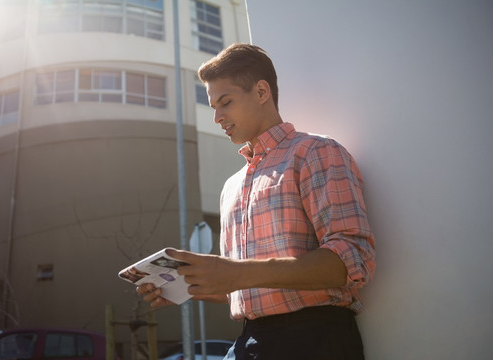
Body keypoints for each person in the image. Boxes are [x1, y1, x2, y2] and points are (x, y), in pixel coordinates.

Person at [137, 43, 376, 359]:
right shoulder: (231, 187)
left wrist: (238, 273)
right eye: (213, 108)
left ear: (262, 92)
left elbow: (353, 257)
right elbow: (250, 285)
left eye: (226, 102)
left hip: (314, 340)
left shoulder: (316, 152)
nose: (218, 117)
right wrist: (190, 285)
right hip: (249, 341)